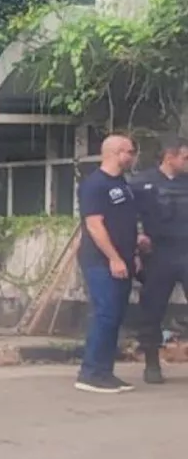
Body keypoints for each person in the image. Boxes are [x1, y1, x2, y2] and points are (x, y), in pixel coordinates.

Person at [75, 134, 140, 393]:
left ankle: (105, 372)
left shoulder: (122, 183)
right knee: (105, 314)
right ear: (116, 152)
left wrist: (134, 250)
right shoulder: (95, 184)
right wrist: (113, 258)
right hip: (101, 261)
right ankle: (90, 372)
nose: (133, 157)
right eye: (130, 152)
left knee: (115, 317)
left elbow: (123, 222)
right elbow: (94, 225)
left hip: (123, 259)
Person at [132, 134, 188, 384]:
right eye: (185, 157)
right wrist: (137, 237)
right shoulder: (141, 183)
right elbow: (124, 215)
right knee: (152, 310)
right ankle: (152, 364)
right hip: (158, 254)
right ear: (170, 156)